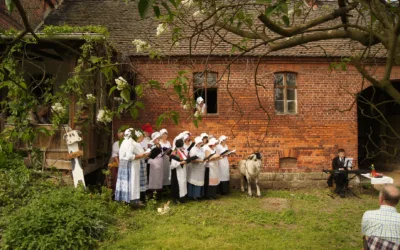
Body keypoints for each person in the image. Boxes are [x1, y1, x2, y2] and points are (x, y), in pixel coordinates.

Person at [115, 129, 149, 204]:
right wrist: (141, 155)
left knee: (125, 183)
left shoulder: (125, 141)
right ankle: (130, 201)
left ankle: (125, 201)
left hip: (124, 164)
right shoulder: (129, 142)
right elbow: (129, 156)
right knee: (130, 183)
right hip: (128, 164)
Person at [170, 137, 188, 203]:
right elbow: (172, 164)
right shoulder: (174, 152)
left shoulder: (181, 151)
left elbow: (184, 158)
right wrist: (181, 162)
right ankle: (176, 198)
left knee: (182, 183)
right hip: (177, 171)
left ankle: (182, 197)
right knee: (177, 184)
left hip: (182, 170)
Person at [187, 136, 205, 200]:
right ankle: (193, 195)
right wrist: (200, 161)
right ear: (196, 143)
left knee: (200, 181)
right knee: (194, 181)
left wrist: (204, 160)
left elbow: (203, 156)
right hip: (195, 168)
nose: (200, 144)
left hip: (201, 168)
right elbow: (192, 160)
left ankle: (198, 195)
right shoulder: (193, 149)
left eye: (201, 142)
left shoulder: (202, 149)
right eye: (199, 143)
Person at [147, 132, 164, 197]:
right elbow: (149, 153)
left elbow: (161, 152)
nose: (159, 139)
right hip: (153, 162)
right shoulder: (151, 144)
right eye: (158, 138)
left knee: (159, 177)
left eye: (159, 138)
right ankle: (152, 193)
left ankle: (158, 192)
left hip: (160, 161)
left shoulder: (159, 144)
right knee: (153, 177)